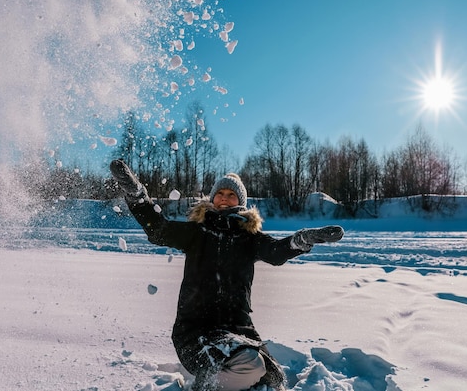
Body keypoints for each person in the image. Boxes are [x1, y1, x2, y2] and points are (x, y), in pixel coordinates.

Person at [110, 159, 344, 391]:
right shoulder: (197, 231)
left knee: (274, 380)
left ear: (241, 202)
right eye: (220, 193)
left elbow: (275, 252)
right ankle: (204, 387)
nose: (224, 197)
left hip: (240, 332)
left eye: (231, 194)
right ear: (212, 198)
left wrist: (302, 240)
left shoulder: (249, 238)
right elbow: (158, 230)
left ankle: (222, 382)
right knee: (251, 366)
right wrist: (137, 195)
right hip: (195, 333)